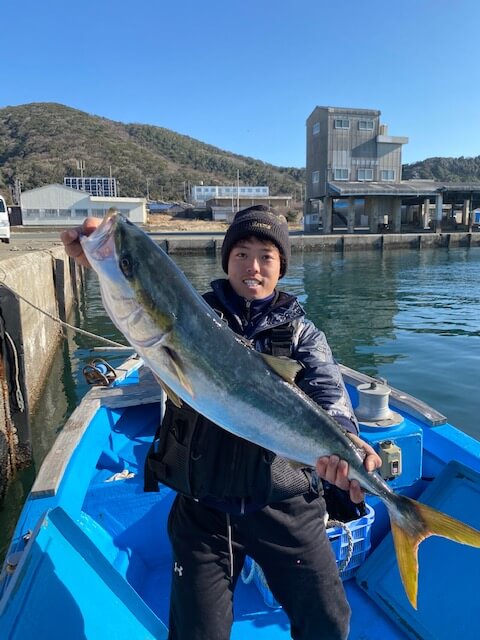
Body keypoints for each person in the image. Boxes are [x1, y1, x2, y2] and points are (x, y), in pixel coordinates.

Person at [61, 206, 381, 640]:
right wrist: (102, 266)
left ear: (281, 267)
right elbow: (141, 311)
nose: (253, 266)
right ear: (226, 261)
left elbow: (330, 396)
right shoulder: (191, 315)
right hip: (204, 506)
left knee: (329, 621)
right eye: (241, 253)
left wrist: (349, 444)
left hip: (283, 504)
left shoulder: (304, 335)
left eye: (266, 256)